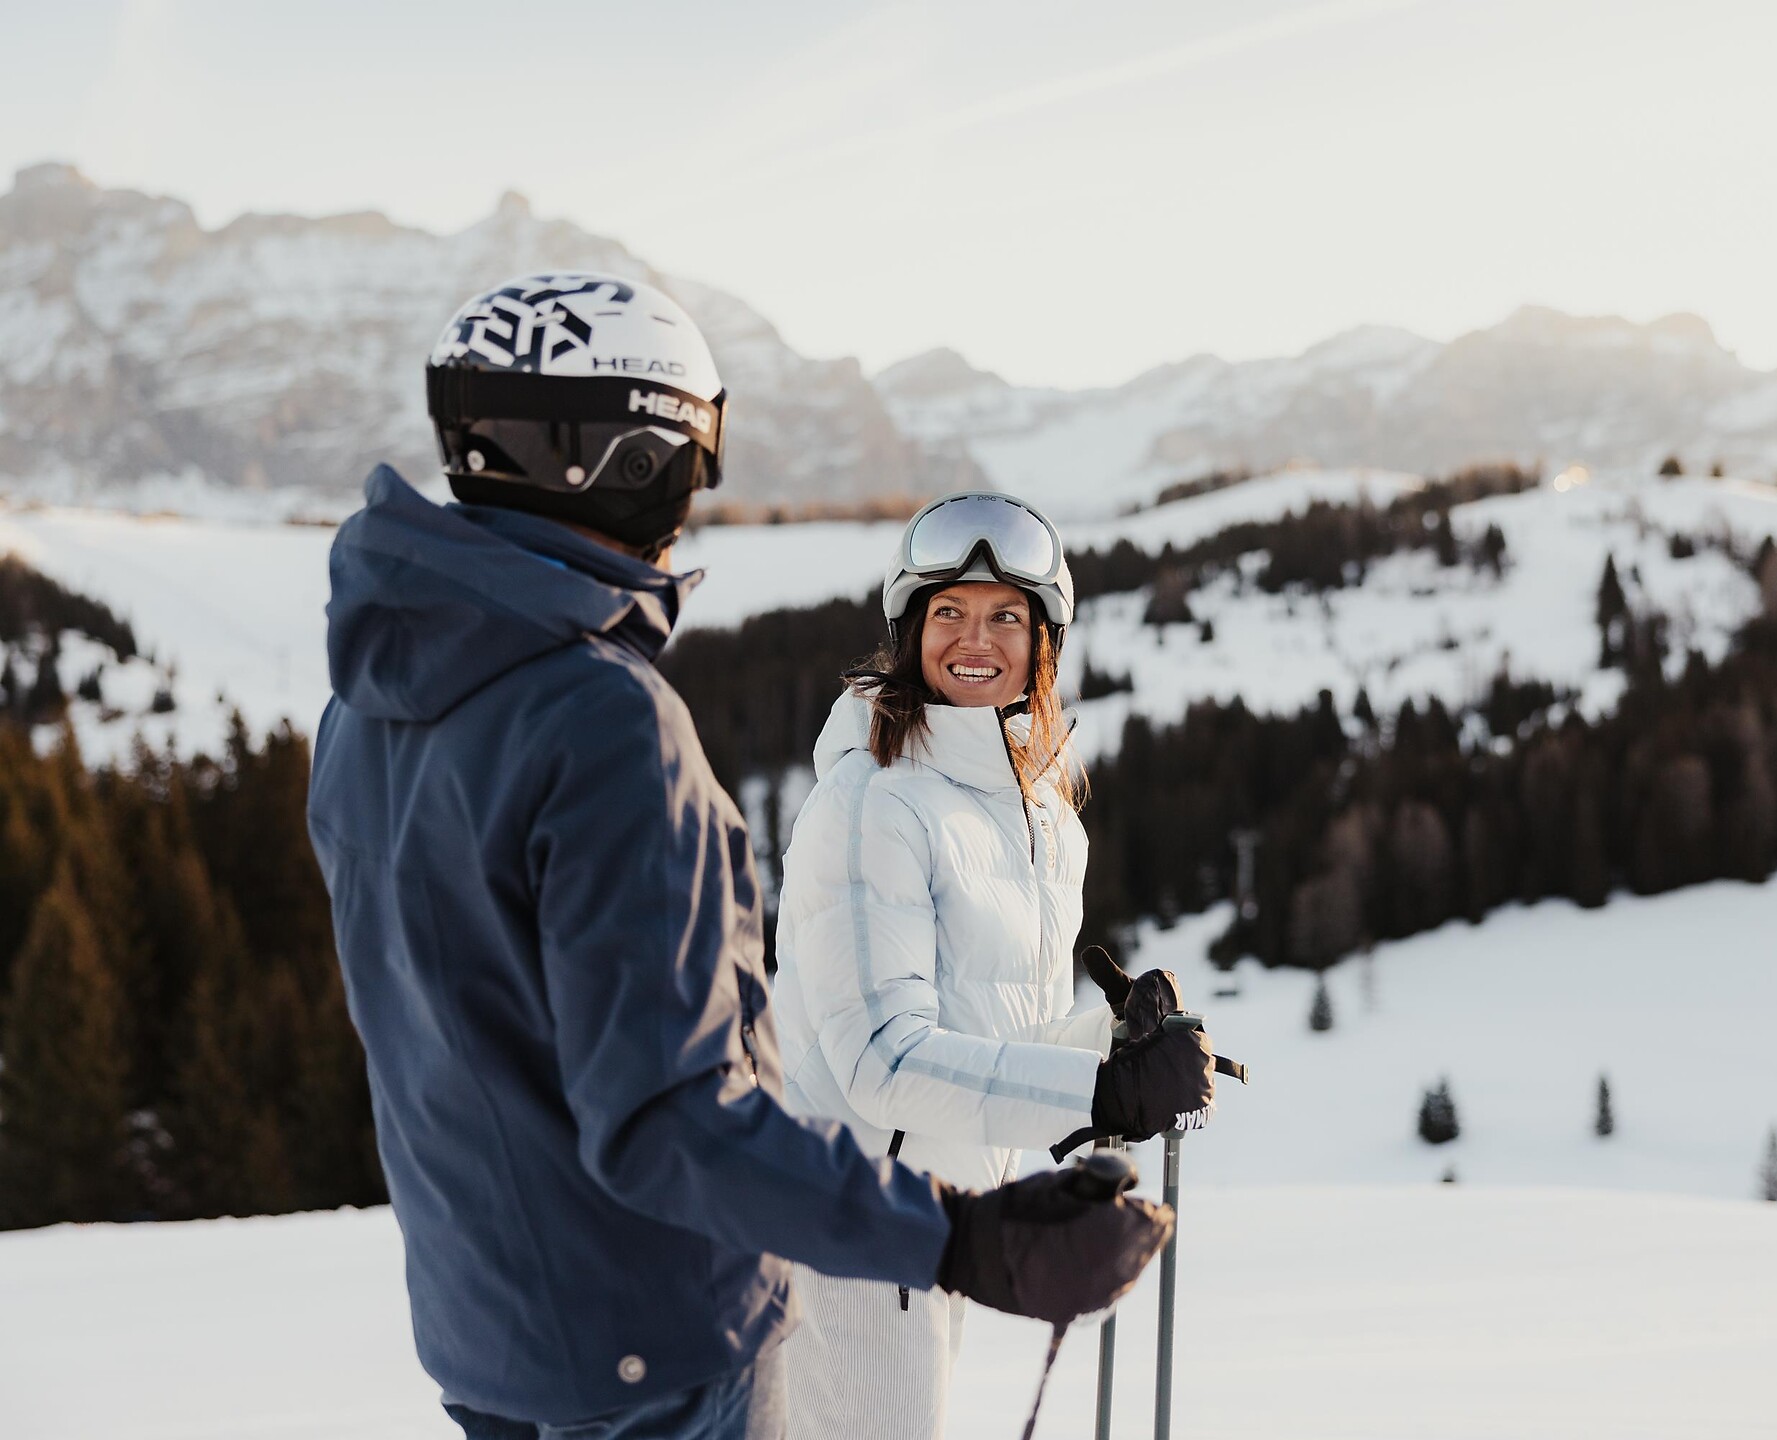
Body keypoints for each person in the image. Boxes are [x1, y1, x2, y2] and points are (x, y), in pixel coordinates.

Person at [305, 274, 1174, 1440]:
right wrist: (965, 1239)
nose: (695, 492)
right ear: (626, 459)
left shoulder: (375, 705)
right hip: (656, 1347)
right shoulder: (602, 722)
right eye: (689, 452)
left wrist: (1094, 1062)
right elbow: (677, 1113)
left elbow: (476, 1046)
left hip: (494, 1334)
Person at [771, 491, 1218, 1440]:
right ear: (909, 632)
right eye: (950, 612)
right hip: (844, 1226)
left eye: (1006, 615)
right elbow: (884, 1061)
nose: (977, 639)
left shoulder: (1042, 817)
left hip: (936, 1221)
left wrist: (1114, 1041)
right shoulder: (872, 804)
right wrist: (1101, 1091)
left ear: (1042, 640)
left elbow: (989, 1045)